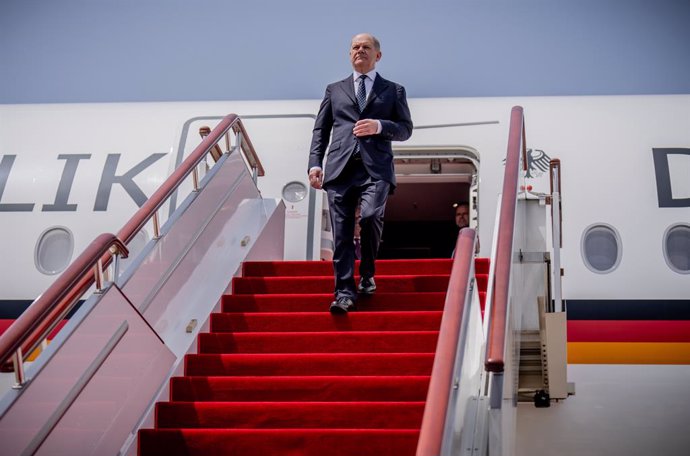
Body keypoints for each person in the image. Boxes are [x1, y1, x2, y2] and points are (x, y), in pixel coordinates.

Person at [308, 33, 413, 314]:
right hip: (339, 168)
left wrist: (379, 126)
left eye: (366, 47)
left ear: (377, 55)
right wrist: (315, 163)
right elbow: (321, 129)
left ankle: (367, 272)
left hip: (375, 169)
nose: (360, 51)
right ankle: (343, 293)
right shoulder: (334, 89)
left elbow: (405, 129)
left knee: (369, 217)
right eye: (355, 47)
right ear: (349, 53)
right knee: (341, 234)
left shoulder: (394, 90)